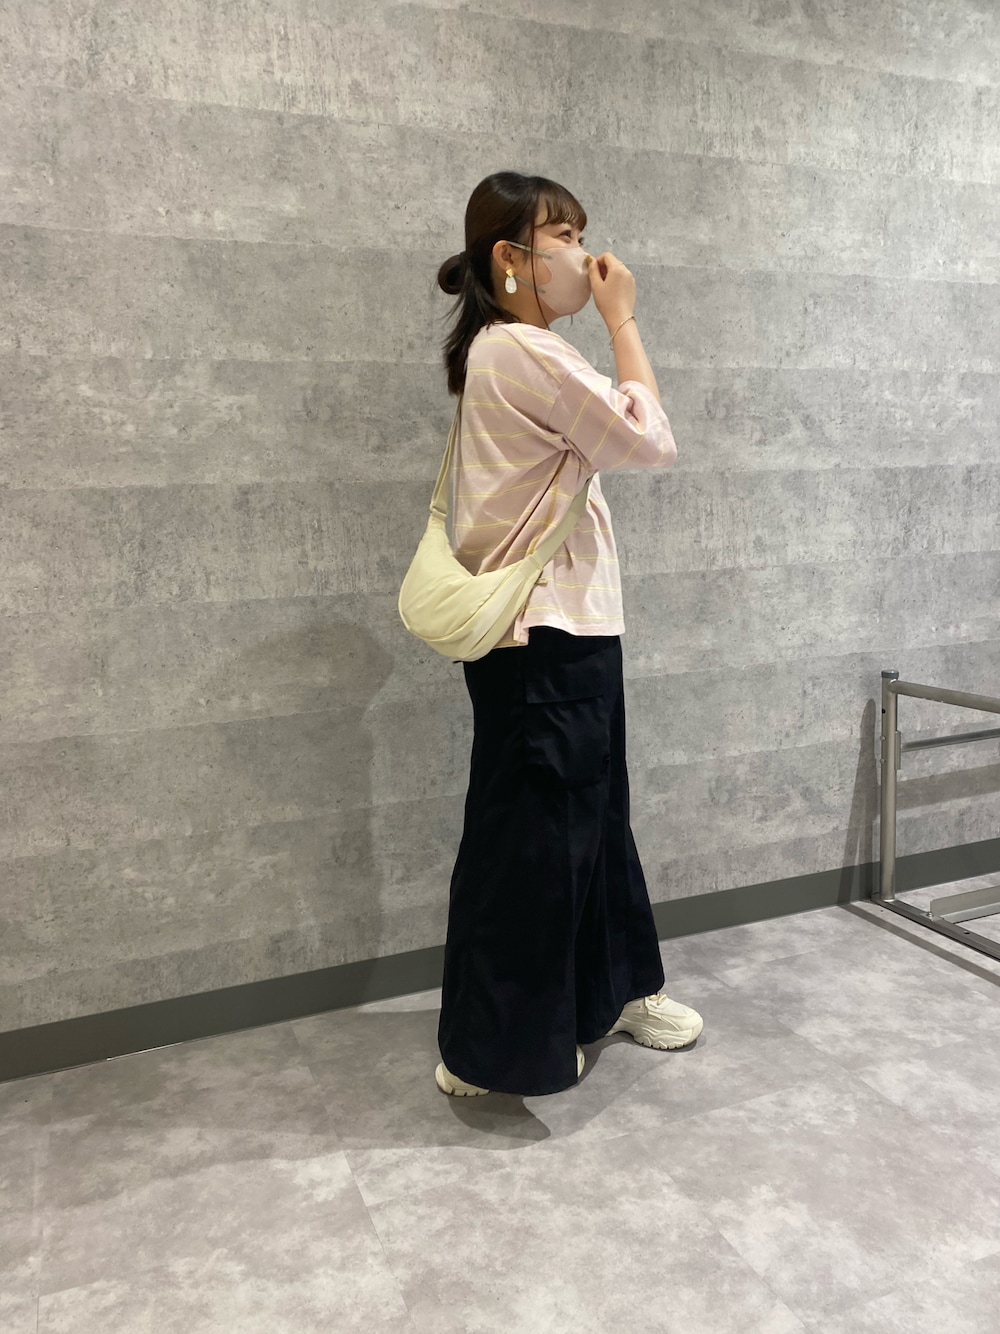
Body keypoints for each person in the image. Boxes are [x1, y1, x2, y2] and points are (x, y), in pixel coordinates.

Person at [432, 172, 704, 1098]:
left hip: (570, 631)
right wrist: (624, 321)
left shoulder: (519, 351)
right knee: (532, 841)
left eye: (581, 233)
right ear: (511, 259)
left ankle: (614, 990)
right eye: (563, 236)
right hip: (539, 639)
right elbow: (649, 441)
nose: (584, 255)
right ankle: (487, 1049)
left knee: (591, 821)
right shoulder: (522, 352)